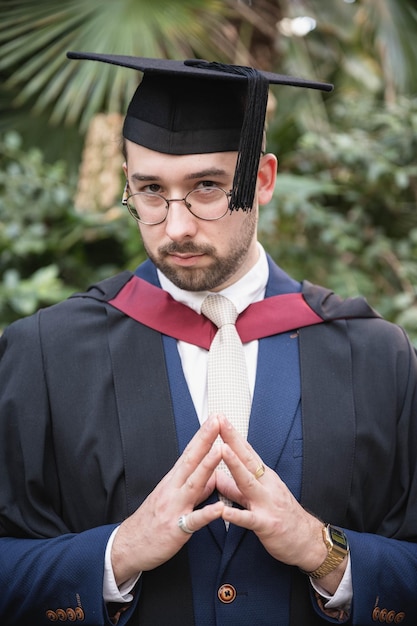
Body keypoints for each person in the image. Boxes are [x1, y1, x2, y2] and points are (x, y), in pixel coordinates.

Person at [0, 51, 416, 626]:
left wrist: (325, 554)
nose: (177, 226)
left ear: (262, 179)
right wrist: (113, 556)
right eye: (150, 190)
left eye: (207, 187)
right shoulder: (42, 354)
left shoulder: (375, 357)